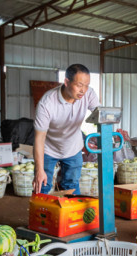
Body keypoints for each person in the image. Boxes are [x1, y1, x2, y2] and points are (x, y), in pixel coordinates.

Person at [33, 64, 100, 194]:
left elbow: (100, 114)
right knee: (42, 186)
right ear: (66, 82)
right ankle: (41, 213)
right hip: (49, 149)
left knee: (72, 186)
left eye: (86, 85)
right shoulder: (47, 103)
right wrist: (39, 170)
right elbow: (39, 138)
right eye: (79, 85)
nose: (83, 90)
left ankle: (71, 214)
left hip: (73, 147)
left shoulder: (88, 94)